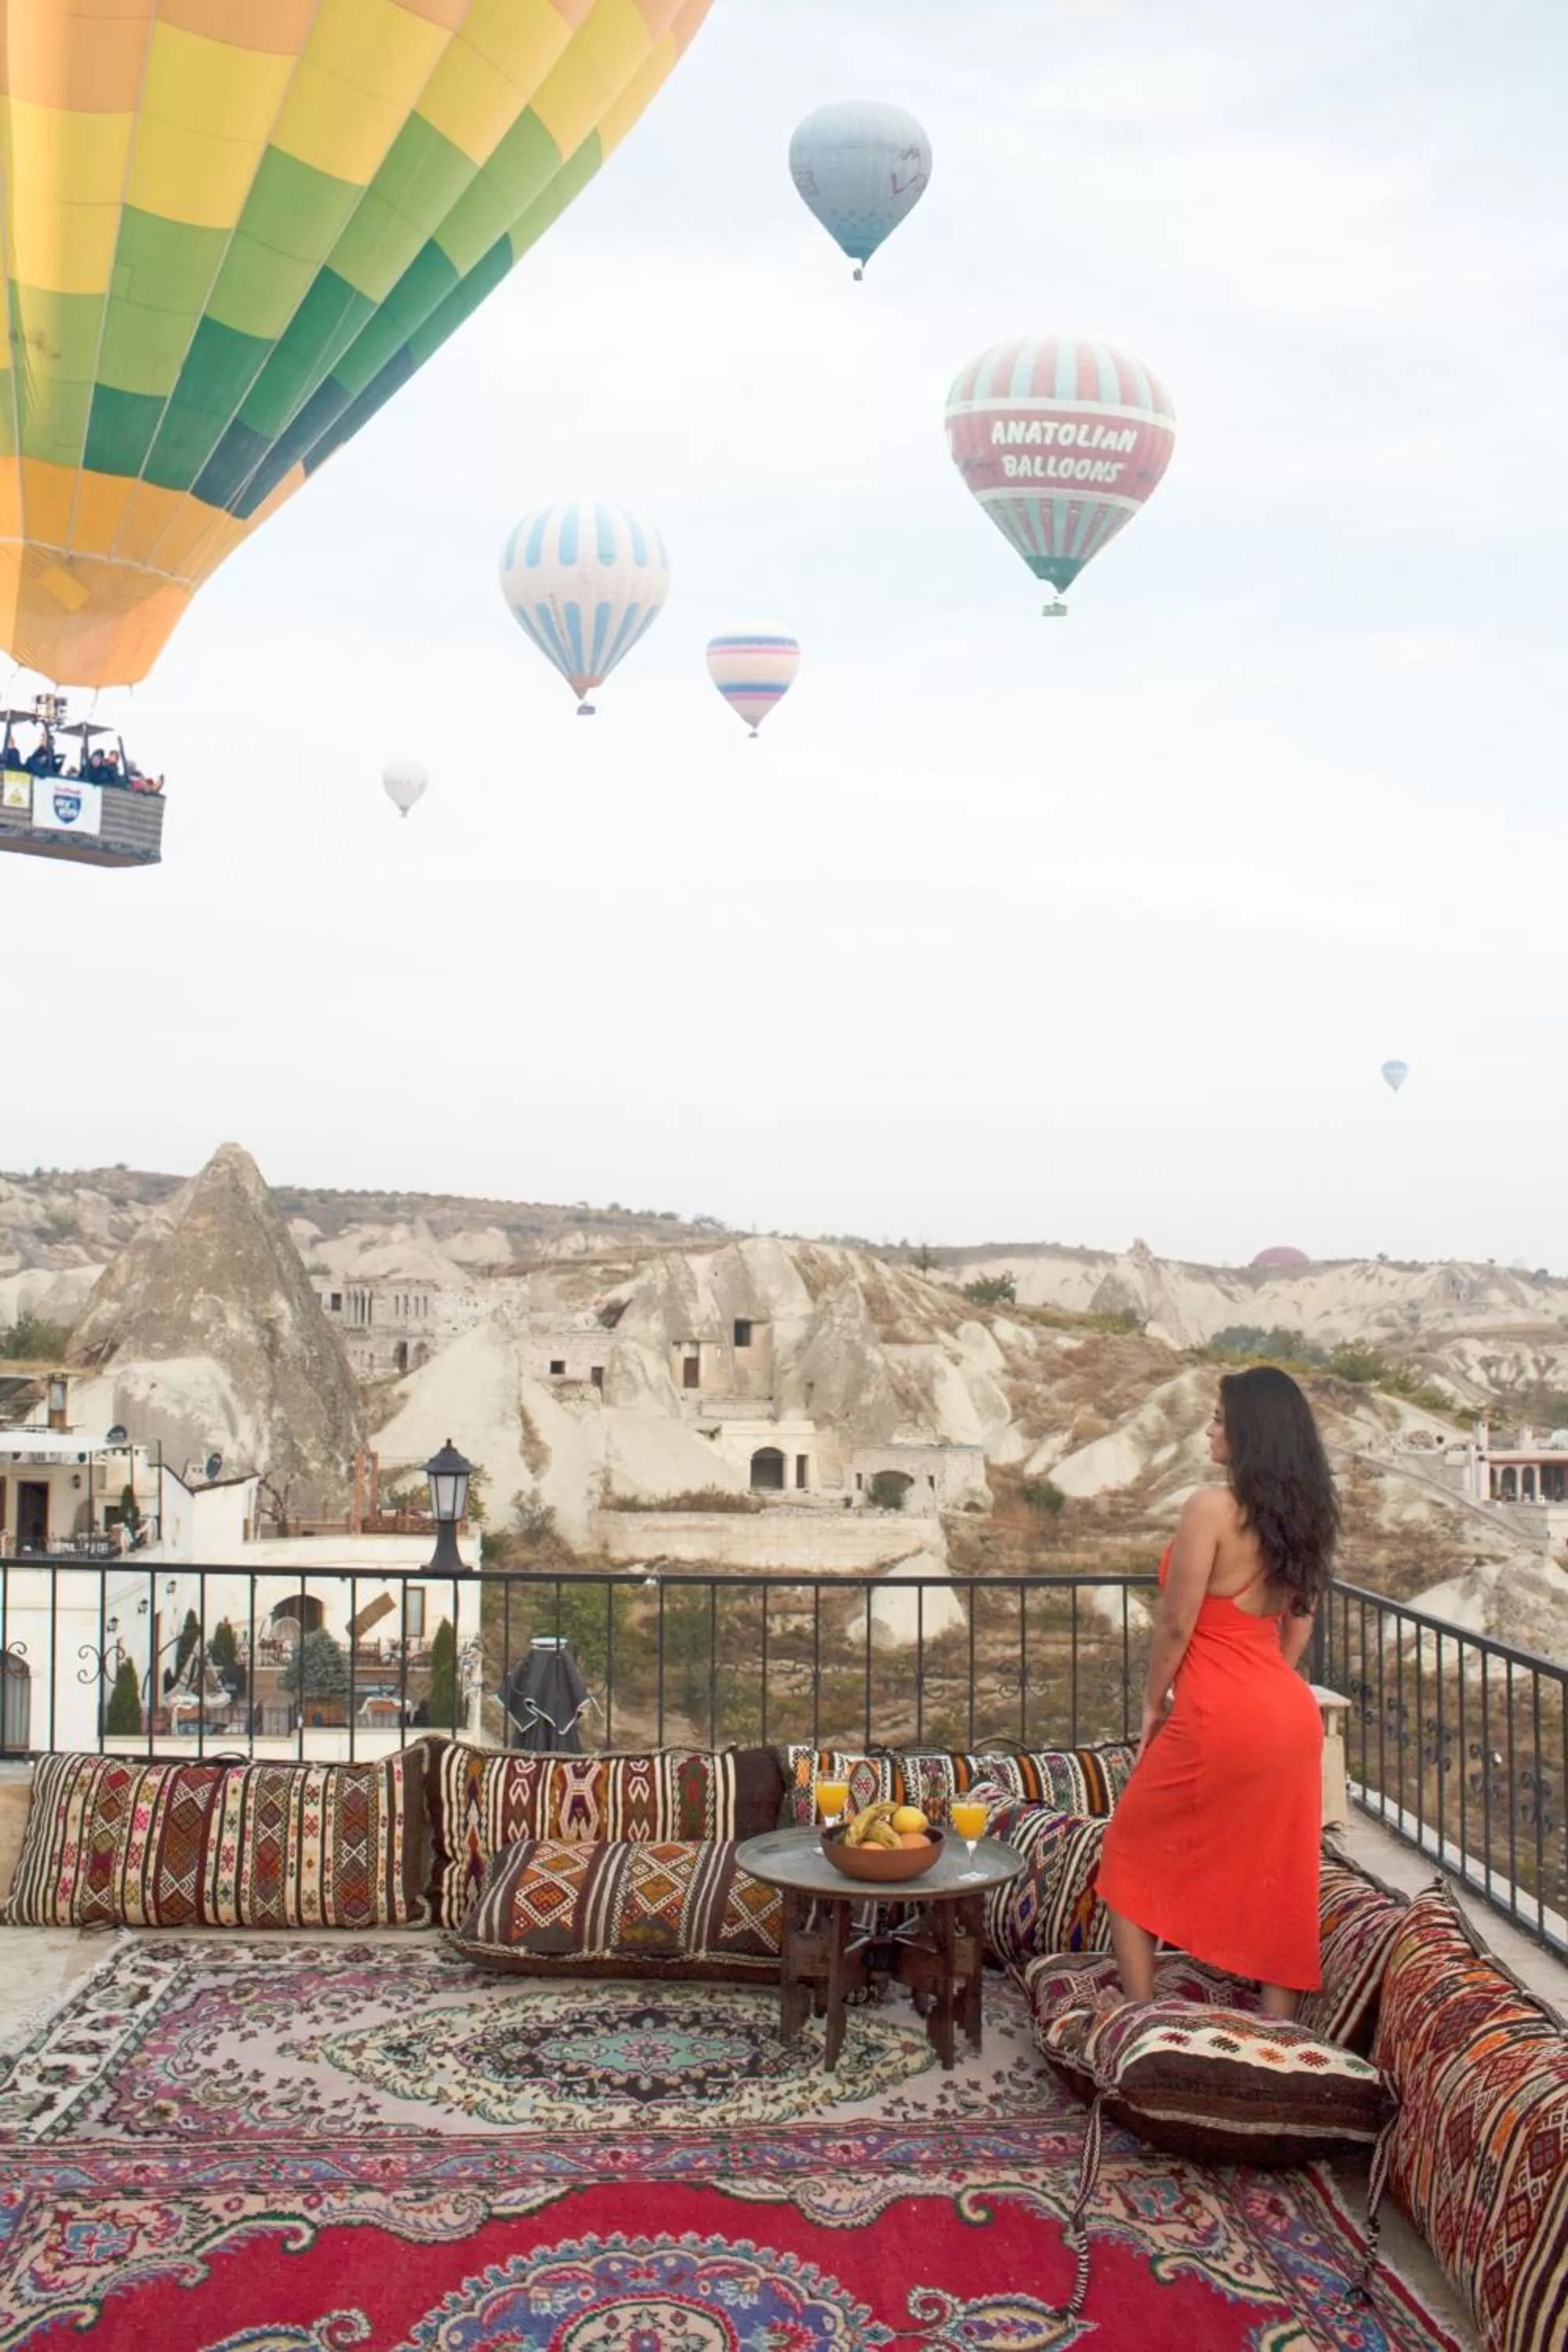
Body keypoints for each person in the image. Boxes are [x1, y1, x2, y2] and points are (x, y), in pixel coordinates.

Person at [1096, 1365, 1339, 2017]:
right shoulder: (1304, 1519)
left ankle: (1142, 2015)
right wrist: (1263, 1681)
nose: (1210, 1429)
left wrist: (1152, 1703)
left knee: (1128, 1852)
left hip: (1214, 1714)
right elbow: (1298, 1625)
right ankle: (1276, 2037)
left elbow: (1177, 1623)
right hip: (1287, 1715)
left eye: (1219, 1419)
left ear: (1249, 1433)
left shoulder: (1211, 1509)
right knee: (1281, 1877)